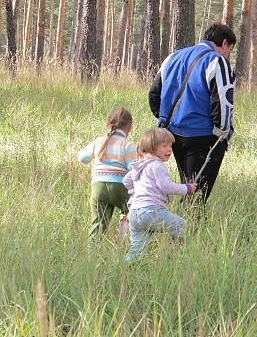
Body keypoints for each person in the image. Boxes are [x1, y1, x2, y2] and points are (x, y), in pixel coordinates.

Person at [149, 22, 236, 203]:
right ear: (225, 43)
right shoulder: (217, 61)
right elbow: (223, 102)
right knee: (196, 196)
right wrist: (222, 134)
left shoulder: (173, 57)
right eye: (230, 49)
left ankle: (185, 227)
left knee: (189, 187)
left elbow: (154, 94)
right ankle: (186, 229)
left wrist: (165, 119)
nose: (228, 54)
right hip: (203, 137)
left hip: (172, 135)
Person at [123, 127, 197, 262]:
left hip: (134, 212)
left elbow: (126, 180)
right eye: (164, 146)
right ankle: (173, 257)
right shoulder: (157, 165)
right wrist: (186, 188)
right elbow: (166, 186)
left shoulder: (140, 165)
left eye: (170, 146)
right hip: (150, 210)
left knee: (137, 249)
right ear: (151, 148)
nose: (169, 150)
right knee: (180, 225)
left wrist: (135, 190)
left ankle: (126, 270)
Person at [78, 107, 137, 238]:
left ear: (108, 123)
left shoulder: (99, 141)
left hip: (98, 186)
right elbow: (134, 171)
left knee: (98, 223)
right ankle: (123, 238)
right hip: (120, 187)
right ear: (130, 127)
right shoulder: (128, 146)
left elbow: (82, 158)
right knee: (133, 209)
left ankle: (92, 250)